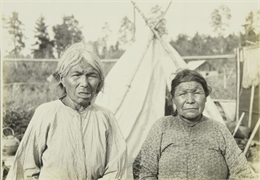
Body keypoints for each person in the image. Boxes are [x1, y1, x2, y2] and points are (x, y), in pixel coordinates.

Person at [6, 42, 127, 180]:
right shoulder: (46, 114)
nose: (84, 83)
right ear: (63, 79)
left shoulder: (106, 118)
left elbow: (117, 170)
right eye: (76, 75)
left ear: (99, 82)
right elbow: (25, 169)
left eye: (91, 76)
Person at [133, 69, 255, 180]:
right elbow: (144, 171)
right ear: (173, 98)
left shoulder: (218, 130)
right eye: (182, 94)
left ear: (206, 97)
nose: (190, 100)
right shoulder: (161, 127)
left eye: (196, 93)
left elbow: (242, 173)